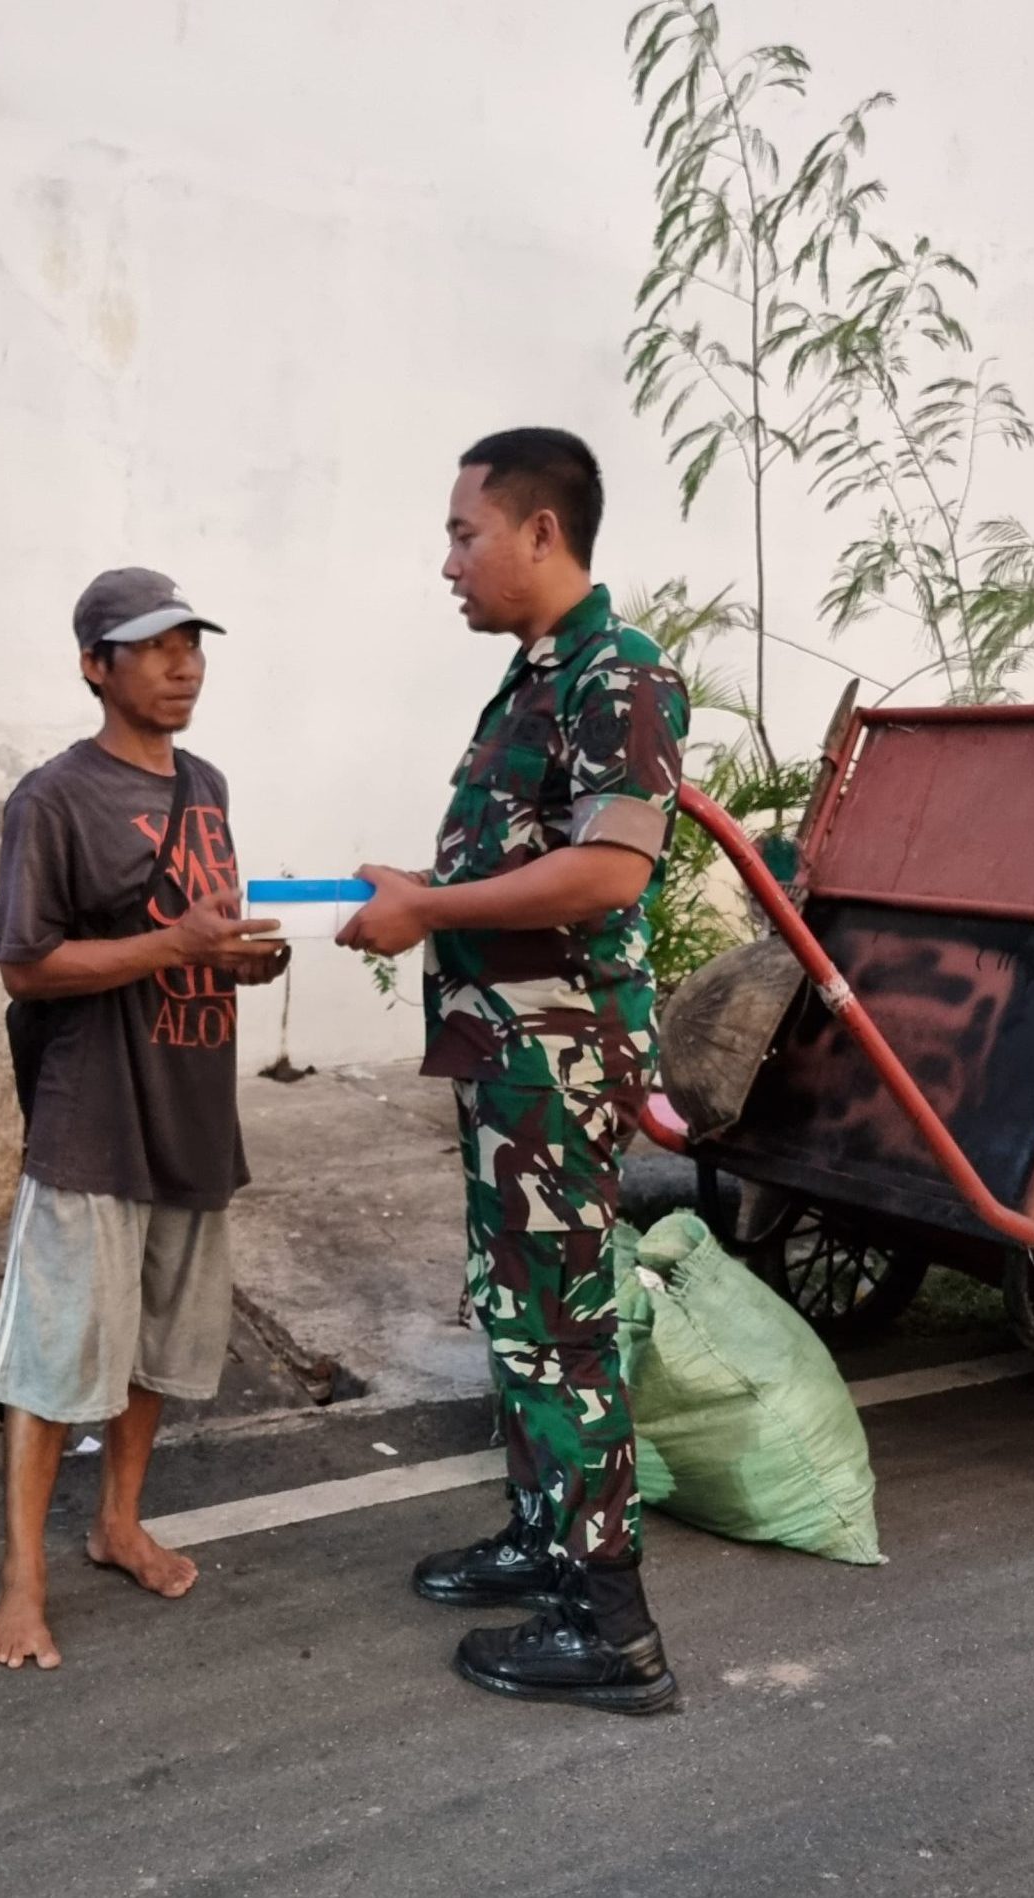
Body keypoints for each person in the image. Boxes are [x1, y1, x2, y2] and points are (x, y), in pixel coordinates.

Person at [338, 429, 689, 1713]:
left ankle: (613, 1627)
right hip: (511, 1056)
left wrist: (429, 910)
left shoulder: (622, 673)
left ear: (542, 531)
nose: (448, 563)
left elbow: (610, 870)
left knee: (565, 1329)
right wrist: (429, 893)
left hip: (561, 1054)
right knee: (516, 1313)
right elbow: (523, 857)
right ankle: (549, 1536)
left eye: (463, 532)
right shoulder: (538, 676)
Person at [0, 567, 284, 1670]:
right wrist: (175, 948)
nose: (184, 661)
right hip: (94, 1114)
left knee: (161, 1344)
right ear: (95, 663)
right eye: (154, 644)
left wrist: (241, 959)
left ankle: (117, 1523)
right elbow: (26, 966)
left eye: (193, 640)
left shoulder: (208, 782)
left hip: (192, 1103)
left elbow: (195, 936)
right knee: (59, 1356)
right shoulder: (52, 798)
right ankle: (23, 1576)